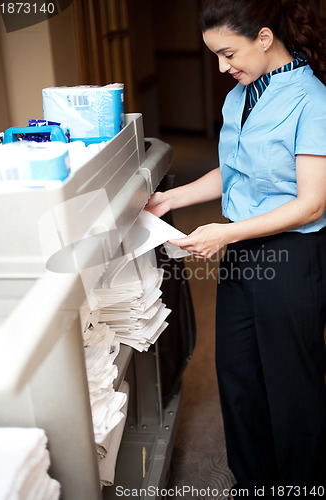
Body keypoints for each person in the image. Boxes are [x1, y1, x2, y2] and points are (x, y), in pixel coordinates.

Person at [145, 0, 326, 498]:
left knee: (292, 384)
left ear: (264, 38)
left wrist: (222, 233)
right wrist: (171, 199)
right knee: (238, 372)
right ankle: (253, 485)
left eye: (228, 53)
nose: (223, 67)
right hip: (244, 248)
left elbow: (311, 204)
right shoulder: (239, 97)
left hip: (291, 254)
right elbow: (237, 170)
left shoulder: (311, 100)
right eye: (215, 56)